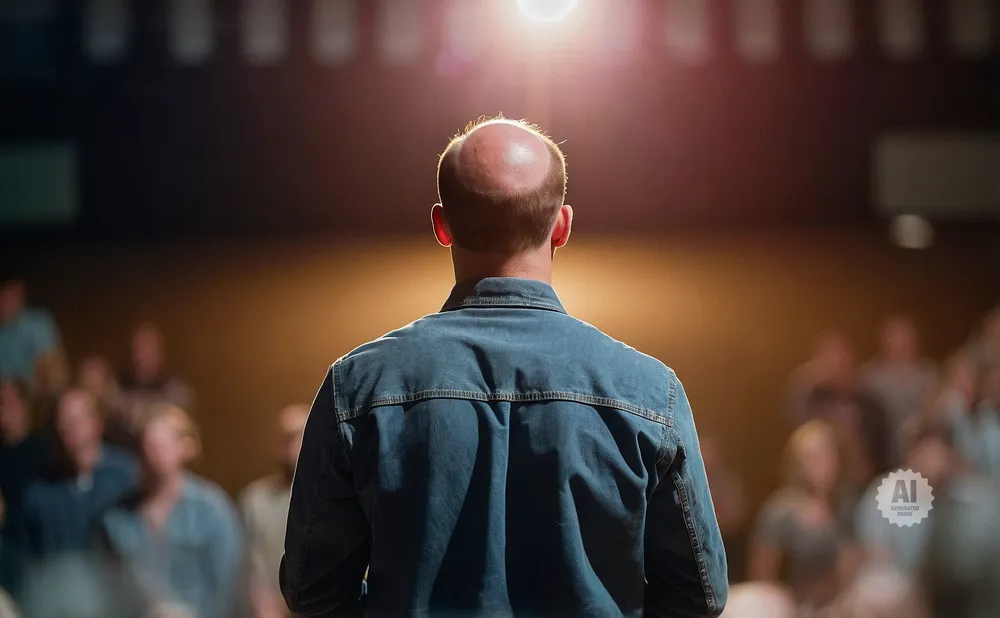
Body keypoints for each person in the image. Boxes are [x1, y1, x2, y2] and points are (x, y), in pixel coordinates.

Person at [280, 116, 728, 617]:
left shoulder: (360, 387)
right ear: (562, 226)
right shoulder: (648, 392)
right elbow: (700, 595)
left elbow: (312, 591)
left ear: (441, 226)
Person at [99, 403, 243, 618]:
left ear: (186, 447)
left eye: (162, 446)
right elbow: (107, 588)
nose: (153, 454)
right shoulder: (117, 518)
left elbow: (229, 586)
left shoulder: (212, 510)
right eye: (148, 445)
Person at [749, 420, 858, 611]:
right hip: (786, 605)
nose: (823, 463)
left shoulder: (845, 509)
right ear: (798, 463)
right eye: (813, 457)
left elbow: (848, 573)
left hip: (835, 605)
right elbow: (763, 576)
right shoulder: (779, 511)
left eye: (828, 454)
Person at [240, 405, 308, 618]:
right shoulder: (256, 501)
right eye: (288, 437)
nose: (295, 445)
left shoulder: (338, 500)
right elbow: (251, 568)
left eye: (302, 435)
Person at [859, 316, 937, 464]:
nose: (901, 343)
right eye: (895, 338)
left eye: (905, 337)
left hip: (919, 453)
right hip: (880, 454)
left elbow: (935, 412)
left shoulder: (929, 375)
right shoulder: (870, 377)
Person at [0, 380, 48, 591]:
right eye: (1, 402)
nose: (5, 409)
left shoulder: (43, 451)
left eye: (11, 402)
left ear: (25, 405)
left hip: (35, 548)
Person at [117, 324, 196, 450]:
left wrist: (141, 413)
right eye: (137, 349)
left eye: (148, 348)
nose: (141, 356)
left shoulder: (177, 390)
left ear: (160, 353)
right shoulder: (121, 389)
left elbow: (178, 419)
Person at [0, 280, 61, 389]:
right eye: (5, 297)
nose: (9, 302)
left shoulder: (38, 323)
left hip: (39, 392)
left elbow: (49, 364)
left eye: (14, 297)